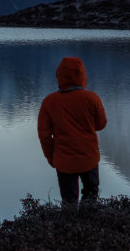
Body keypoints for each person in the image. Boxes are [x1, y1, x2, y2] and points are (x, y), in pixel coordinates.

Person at [37, 56, 107, 209]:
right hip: (89, 158)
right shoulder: (92, 98)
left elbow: (44, 136)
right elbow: (101, 124)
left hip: (64, 161)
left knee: (69, 203)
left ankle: (68, 230)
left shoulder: (49, 102)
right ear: (82, 76)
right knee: (91, 196)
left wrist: (52, 158)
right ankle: (89, 230)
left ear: (59, 76)